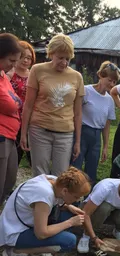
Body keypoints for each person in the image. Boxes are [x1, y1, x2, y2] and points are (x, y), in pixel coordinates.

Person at [0, 167, 91, 256]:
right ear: (65, 191)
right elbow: (41, 234)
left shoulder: (54, 181)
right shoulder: (44, 195)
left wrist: (68, 206)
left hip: (23, 223)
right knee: (69, 241)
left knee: (69, 214)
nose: (77, 200)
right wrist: (70, 222)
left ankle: (36, 252)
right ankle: (16, 253)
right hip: (13, 232)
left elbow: (53, 201)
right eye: (76, 197)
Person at [20, 34, 85, 177]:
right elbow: (28, 105)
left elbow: (78, 112)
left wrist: (78, 141)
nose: (64, 62)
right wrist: (23, 133)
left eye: (67, 59)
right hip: (39, 130)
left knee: (60, 176)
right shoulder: (37, 70)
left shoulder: (77, 77)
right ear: (51, 53)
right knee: (39, 174)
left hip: (65, 133)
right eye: (60, 57)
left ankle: (56, 201)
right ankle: (39, 200)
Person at [72, 61, 120, 185]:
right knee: (75, 167)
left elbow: (107, 125)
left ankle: (89, 199)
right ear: (101, 76)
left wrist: (105, 146)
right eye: (109, 80)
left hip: (96, 136)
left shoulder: (109, 100)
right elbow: (76, 113)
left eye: (114, 82)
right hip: (82, 132)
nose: (112, 84)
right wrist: (76, 139)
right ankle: (71, 199)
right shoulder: (86, 91)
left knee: (91, 170)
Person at [0, 33, 22, 206]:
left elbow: (16, 100)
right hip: (1, 136)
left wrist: (15, 102)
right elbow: (11, 104)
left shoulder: (3, 77)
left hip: (10, 136)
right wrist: (15, 102)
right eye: (11, 60)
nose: (14, 65)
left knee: (10, 179)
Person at [7, 41, 36, 165]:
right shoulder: (8, 73)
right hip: (11, 117)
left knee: (33, 155)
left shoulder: (33, 75)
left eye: (29, 58)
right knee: (12, 155)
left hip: (28, 118)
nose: (25, 61)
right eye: (23, 57)